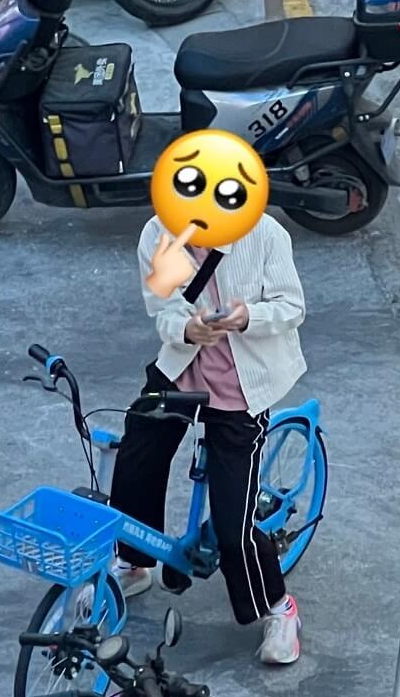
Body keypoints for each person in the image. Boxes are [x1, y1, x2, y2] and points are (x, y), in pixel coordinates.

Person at [109, 211, 307, 665]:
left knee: (233, 525)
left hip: (243, 383)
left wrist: (247, 316)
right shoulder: (161, 234)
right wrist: (186, 328)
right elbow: (162, 308)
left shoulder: (264, 234)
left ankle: (280, 608)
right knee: (138, 455)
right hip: (182, 369)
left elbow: (292, 306)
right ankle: (134, 561)